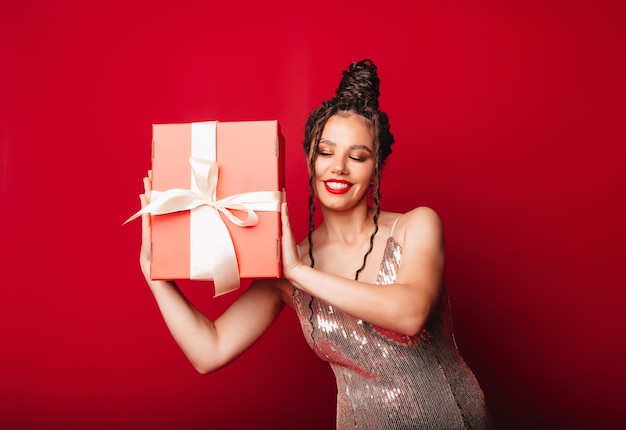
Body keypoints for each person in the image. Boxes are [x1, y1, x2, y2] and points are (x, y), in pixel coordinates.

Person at [137, 59, 490, 429]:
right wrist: (155, 277)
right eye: (325, 152)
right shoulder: (286, 266)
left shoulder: (416, 225)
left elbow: (410, 314)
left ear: (377, 170)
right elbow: (209, 351)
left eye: (357, 157)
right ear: (310, 160)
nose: (338, 167)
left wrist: (298, 272)